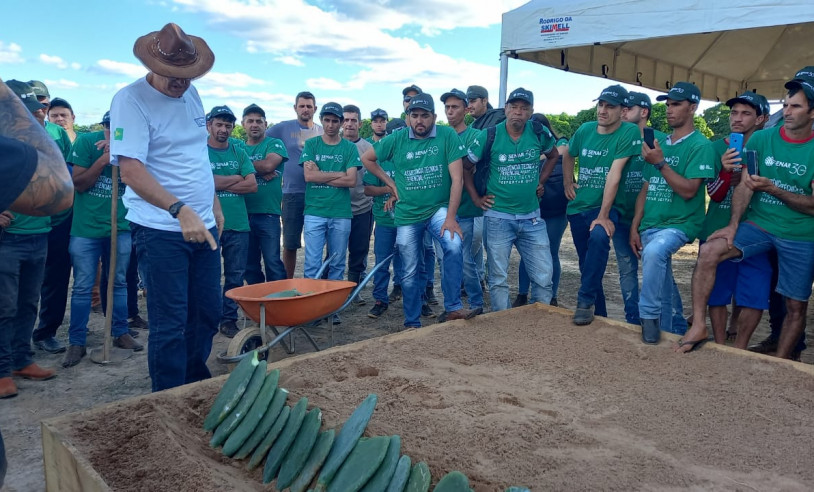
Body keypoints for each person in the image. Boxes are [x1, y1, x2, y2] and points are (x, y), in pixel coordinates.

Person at [111, 22, 224, 392]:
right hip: (160, 230)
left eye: (188, 76)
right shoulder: (130, 100)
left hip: (204, 224)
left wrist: (212, 203)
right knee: (170, 321)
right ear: (153, 65)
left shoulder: (191, 95)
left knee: (207, 313)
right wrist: (179, 209)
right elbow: (131, 171)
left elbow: (196, 156)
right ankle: (169, 400)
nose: (180, 83)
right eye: (173, 76)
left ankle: (193, 385)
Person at [679, 71, 814, 357]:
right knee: (710, 251)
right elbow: (744, 188)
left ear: (812, 113)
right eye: (786, 105)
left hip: (801, 234)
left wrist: (775, 189)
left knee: (795, 305)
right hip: (761, 225)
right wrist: (732, 226)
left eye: (796, 107)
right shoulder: (763, 139)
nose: (787, 112)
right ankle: (699, 326)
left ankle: (780, 362)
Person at [362, 93, 477, 328]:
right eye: (414, 116)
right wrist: (390, 184)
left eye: (425, 115)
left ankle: (453, 307)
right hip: (407, 214)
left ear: (434, 116)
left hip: (437, 210)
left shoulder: (447, 136)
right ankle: (412, 321)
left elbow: (458, 180)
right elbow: (368, 159)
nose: (419, 121)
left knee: (454, 245)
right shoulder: (397, 139)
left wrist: (452, 218)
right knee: (410, 267)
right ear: (408, 118)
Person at [630, 82, 715, 344]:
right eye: (667, 105)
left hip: (680, 223)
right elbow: (646, 187)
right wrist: (635, 226)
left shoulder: (701, 145)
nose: (669, 110)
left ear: (692, 108)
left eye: (676, 104)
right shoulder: (659, 142)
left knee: (655, 254)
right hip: (651, 222)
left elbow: (690, 191)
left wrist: (661, 163)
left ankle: (648, 317)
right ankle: (676, 327)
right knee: (661, 277)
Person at [466, 88, 559, 311]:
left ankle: (539, 322)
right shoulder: (488, 135)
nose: (518, 112)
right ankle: (503, 326)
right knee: (498, 278)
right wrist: (477, 199)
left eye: (524, 108)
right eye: (514, 107)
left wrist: (541, 181)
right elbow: (466, 166)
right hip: (498, 217)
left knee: (544, 277)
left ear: (531, 112)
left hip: (532, 218)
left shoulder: (538, 132)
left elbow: (554, 155)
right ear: (506, 109)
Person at [63, 111, 141, 368]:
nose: (112, 133)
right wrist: (104, 160)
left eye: (119, 129)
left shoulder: (133, 147)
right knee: (84, 285)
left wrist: (121, 156)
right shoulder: (86, 143)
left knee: (118, 282)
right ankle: (77, 342)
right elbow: (79, 184)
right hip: (86, 229)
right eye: (109, 127)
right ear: (103, 126)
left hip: (120, 227)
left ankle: (120, 332)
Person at [1, 80, 62, 400]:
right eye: (30, 108)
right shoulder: (5, 142)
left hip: (39, 234)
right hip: (7, 239)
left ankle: (22, 359)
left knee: (27, 303)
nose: (39, 113)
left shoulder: (45, 141)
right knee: (4, 306)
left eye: (40, 108)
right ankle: (1, 369)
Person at [564, 85, 641, 325]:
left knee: (599, 238)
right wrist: (569, 181)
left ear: (623, 110)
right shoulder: (585, 129)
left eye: (610, 106)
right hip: (578, 208)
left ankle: (584, 301)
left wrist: (604, 215)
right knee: (587, 263)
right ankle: (601, 315)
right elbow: (568, 153)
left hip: (609, 207)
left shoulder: (628, 132)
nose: (603, 111)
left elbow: (615, 173)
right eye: (601, 105)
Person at [700, 92, 773, 346]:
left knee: (754, 292)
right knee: (717, 293)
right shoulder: (716, 147)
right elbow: (714, 194)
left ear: (761, 119)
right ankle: (720, 344)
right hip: (718, 227)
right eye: (734, 113)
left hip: (757, 229)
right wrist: (724, 169)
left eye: (746, 114)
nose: (737, 119)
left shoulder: (769, 148)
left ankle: (741, 346)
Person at [300, 102, 360, 324]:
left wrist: (322, 173)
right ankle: (312, 307)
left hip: (341, 212)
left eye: (336, 120)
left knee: (337, 262)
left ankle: (332, 308)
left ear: (341, 123)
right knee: (312, 262)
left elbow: (352, 180)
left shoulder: (349, 148)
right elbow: (309, 177)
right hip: (314, 211)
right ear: (322, 120)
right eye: (327, 120)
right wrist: (338, 174)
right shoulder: (312, 144)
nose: (331, 124)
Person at [612, 92, 665, 325]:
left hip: (654, 220)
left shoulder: (662, 140)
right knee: (626, 270)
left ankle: (659, 319)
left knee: (657, 271)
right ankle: (633, 318)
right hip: (623, 217)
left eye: (628, 108)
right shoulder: (616, 138)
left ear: (644, 112)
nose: (622, 111)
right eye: (621, 107)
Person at [30, 81, 74, 354]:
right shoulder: (8, 131)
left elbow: (68, 173)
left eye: (43, 104)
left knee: (56, 279)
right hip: (21, 222)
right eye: (33, 103)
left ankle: (46, 331)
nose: (39, 109)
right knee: (19, 284)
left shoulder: (58, 133)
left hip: (58, 220)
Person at [207, 105, 257, 338]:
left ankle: (229, 320)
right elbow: (202, 183)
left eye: (228, 125)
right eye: (219, 124)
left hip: (238, 223)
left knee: (235, 276)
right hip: (207, 223)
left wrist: (217, 181)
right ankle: (208, 318)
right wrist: (236, 177)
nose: (223, 129)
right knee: (208, 275)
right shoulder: (200, 152)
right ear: (209, 126)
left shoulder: (238, 152)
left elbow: (252, 185)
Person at [514, 115, 569, 308]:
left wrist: (538, 154)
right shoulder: (519, 145)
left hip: (555, 210)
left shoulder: (559, 142)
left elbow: (563, 150)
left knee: (551, 251)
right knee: (527, 253)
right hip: (533, 208)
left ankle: (551, 296)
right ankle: (522, 293)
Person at [267, 91, 323, 278]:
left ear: (315, 109)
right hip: (292, 193)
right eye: (302, 106)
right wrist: (267, 168)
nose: (305, 109)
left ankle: (315, 282)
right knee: (290, 243)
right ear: (295, 108)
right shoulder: (282, 128)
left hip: (318, 193)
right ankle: (287, 281)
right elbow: (261, 141)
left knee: (316, 242)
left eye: (309, 106)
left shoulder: (322, 131)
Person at [0, 78, 73, 216]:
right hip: (12, 227)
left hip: (41, 223)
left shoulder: (55, 131)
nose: (28, 116)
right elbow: (61, 192)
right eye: (23, 111)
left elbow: (65, 178)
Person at [443, 88, 484, 314]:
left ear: (467, 109)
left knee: (466, 259)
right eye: (447, 107)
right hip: (443, 207)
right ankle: (452, 306)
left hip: (467, 207)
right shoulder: (440, 136)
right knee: (447, 259)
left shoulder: (476, 136)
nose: (450, 111)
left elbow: (468, 168)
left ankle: (477, 303)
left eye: (455, 107)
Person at [364, 118, 407, 319]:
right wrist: (390, 188)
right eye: (394, 134)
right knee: (382, 261)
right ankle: (380, 299)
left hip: (408, 220)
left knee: (410, 261)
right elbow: (367, 189)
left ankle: (413, 298)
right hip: (384, 221)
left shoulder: (411, 156)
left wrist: (395, 194)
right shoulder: (379, 158)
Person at [242, 103, 288, 285]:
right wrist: (257, 169)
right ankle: (259, 303)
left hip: (268, 213)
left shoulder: (274, 143)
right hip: (243, 214)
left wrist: (244, 170)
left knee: (273, 262)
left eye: (258, 121)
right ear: (243, 124)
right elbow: (232, 171)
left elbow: (269, 165)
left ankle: (280, 303)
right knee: (249, 264)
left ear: (265, 124)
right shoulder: (238, 147)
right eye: (250, 121)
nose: (254, 124)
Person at [342, 104, 374, 304]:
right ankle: (333, 291)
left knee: (359, 250)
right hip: (338, 209)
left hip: (363, 207)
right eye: (346, 120)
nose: (349, 124)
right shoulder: (333, 145)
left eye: (354, 120)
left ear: (360, 123)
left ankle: (354, 291)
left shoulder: (368, 148)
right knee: (335, 252)